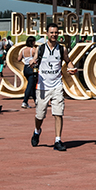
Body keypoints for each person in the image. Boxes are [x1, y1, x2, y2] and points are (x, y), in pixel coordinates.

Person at [30, 23, 77, 151]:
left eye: (56, 32)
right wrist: (32, 62)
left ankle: (57, 140)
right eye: (51, 32)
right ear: (47, 34)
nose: (54, 35)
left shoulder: (62, 49)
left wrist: (71, 68)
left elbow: (68, 61)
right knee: (40, 115)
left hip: (57, 86)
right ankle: (37, 130)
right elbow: (34, 60)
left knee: (58, 113)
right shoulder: (40, 49)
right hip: (42, 87)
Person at [19, 36, 38, 109]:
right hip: (32, 68)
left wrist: (26, 59)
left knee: (32, 85)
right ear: (33, 42)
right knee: (30, 85)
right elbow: (38, 57)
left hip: (25, 68)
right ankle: (25, 101)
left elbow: (19, 59)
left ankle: (36, 101)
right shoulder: (33, 50)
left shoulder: (23, 50)